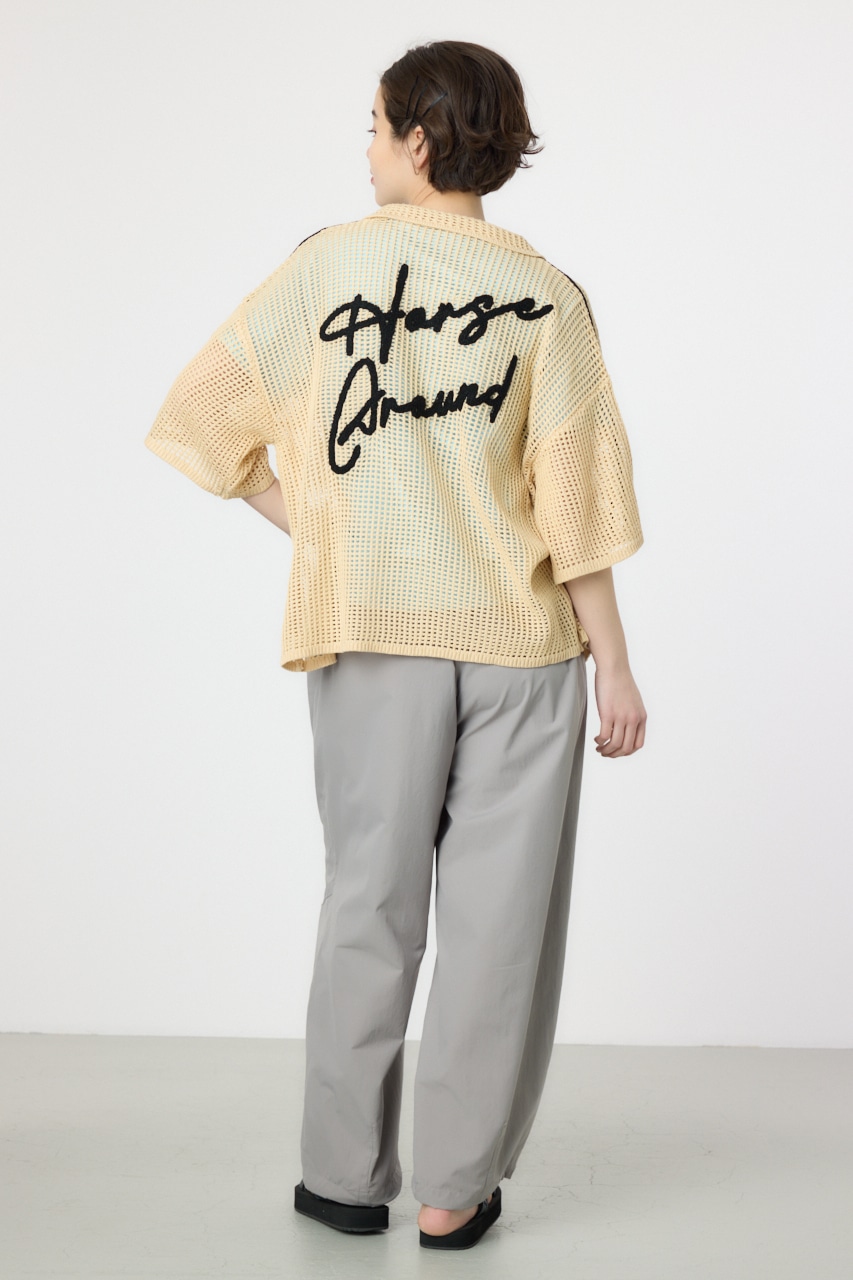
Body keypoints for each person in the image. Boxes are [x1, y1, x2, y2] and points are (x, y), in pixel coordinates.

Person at [144, 38, 647, 1252]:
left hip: (371, 639)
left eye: (374, 127)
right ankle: (452, 1190)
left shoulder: (325, 269)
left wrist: (326, 530)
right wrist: (615, 664)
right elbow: (574, 504)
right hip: (523, 647)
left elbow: (203, 416)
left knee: (368, 901)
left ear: (420, 141)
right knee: (497, 925)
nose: (366, 148)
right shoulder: (548, 295)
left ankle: (340, 1176)